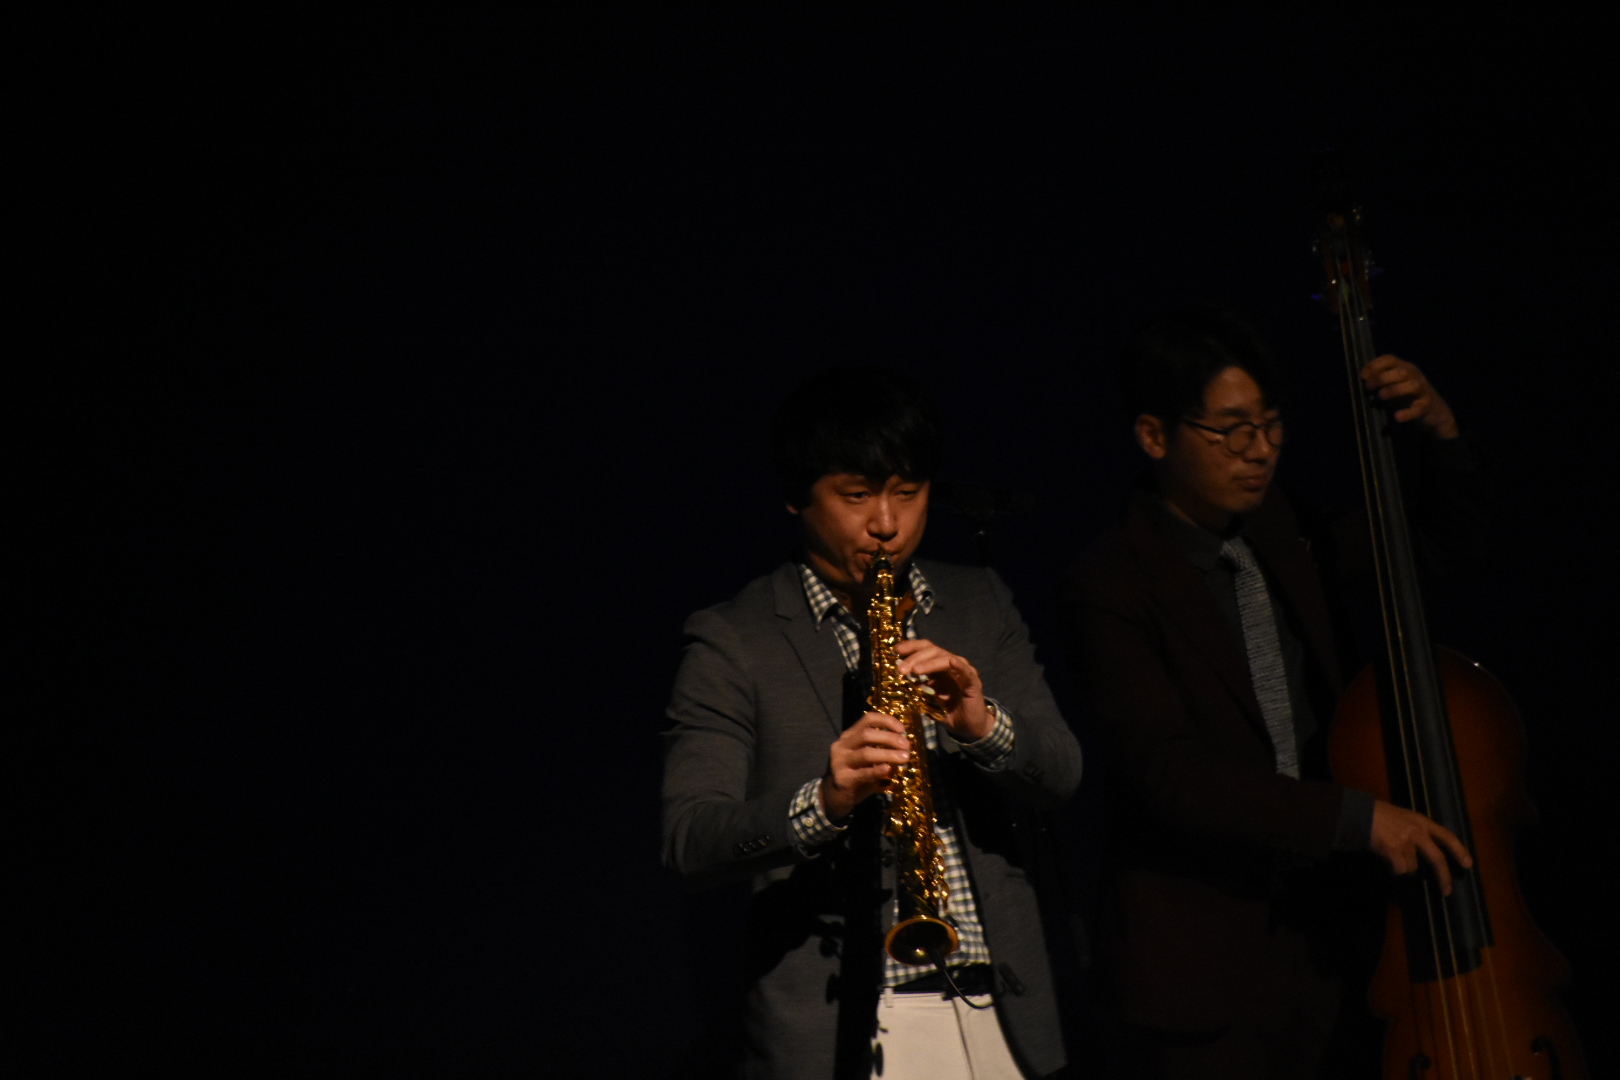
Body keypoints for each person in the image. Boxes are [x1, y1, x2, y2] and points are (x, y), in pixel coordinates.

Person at [1060, 303, 1485, 1078]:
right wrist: (1357, 819)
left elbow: (1430, 549)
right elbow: (1170, 776)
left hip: (1333, 944)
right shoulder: (1110, 583)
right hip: (1203, 968)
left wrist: (1441, 435)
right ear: (1155, 436)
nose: (1259, 451)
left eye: (1271, 425)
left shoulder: (1288, 532)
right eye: (1231, 431)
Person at [662, 366, 1083, 1080]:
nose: (887, 523)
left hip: (1002, 1011)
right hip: (843, 1027)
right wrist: (823, 803)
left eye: (908, 493)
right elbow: (689, 840)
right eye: (856, 496)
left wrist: (984, 727)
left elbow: (1063, 774)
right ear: (797, 497)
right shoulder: (732, 639)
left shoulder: (978, 601)